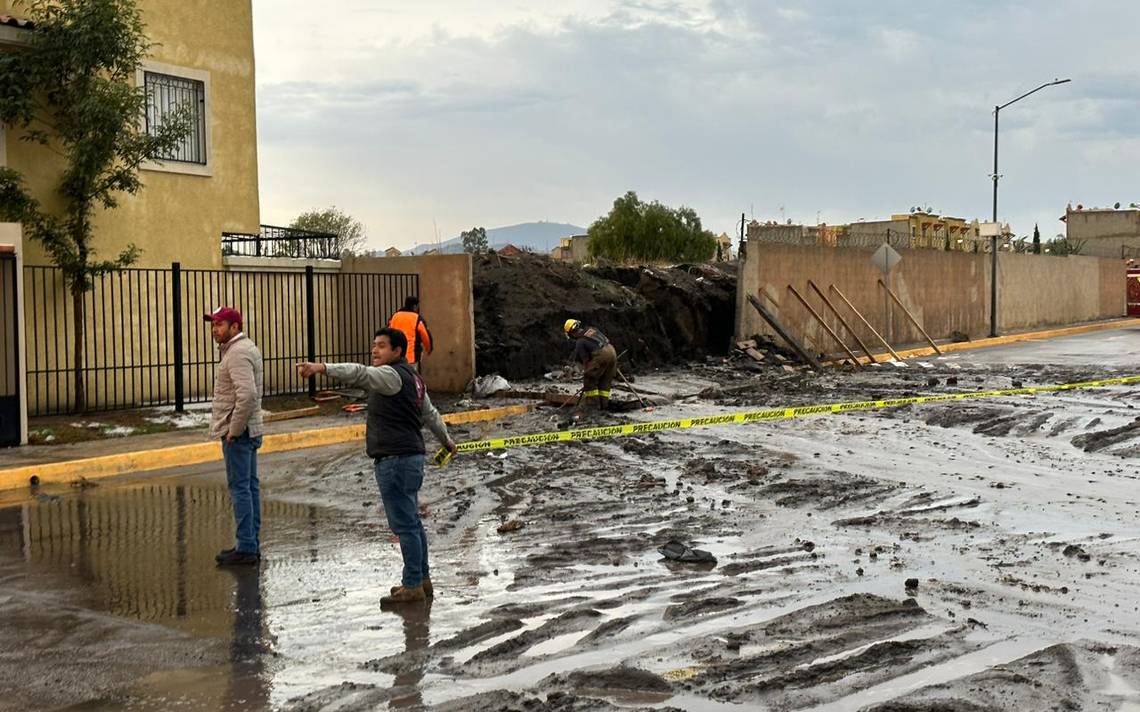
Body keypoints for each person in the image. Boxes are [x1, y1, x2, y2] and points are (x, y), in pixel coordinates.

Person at [297, 328, 456, 604]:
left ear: (397, 351)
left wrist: (321, 367)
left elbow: (360, 374)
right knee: (413, 522)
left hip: (395, 459)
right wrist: (447, 440)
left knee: (405, 525)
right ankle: (421, 579)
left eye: (381, 346)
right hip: (410, 456)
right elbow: (429, 414)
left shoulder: (391, 375)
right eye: (374, 345)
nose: (375, 351)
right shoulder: (415, 379)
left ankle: (412, 586)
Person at [205, 306, 264, 567]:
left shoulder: (237, 353)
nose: (215, 329)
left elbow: (247, 395)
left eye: (220, 324)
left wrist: (234, 430)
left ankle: (247, 547)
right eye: (213, 324)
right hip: (248, 430)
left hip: (240, 434)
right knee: (249, 488)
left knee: (241, 489)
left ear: (235, 327)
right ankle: (249, 543)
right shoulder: (239, 349)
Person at [563, 319, 617, 410]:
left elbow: (586, 361)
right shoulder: (592, 329)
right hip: (612, 351)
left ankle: (593, 407)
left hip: (602, 355)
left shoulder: (580, 342)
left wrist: (586, 372)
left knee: (589, 380)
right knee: (605, 380)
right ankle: (604, 406)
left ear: (571, 333)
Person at [388, 296, 433, 371]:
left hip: (395, 355)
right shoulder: (417, 318)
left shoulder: (395, 316)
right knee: (411, 378)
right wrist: (429, 349)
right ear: (415, 306)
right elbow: (425, 336)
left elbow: (388, 332)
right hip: (411, 356)